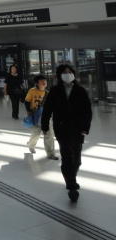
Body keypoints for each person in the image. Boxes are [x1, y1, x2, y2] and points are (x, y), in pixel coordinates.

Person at [41, 65, 92, 202]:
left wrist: (85, 128)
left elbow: (87, 111)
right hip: (62, 128)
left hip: (77, 128)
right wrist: (44, 125)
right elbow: (47, 109)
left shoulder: (80, 90)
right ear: (59, 75)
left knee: (77, 159)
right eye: (65, 72)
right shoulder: (55, 91)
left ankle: (71, 177)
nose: (68, 74)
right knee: (67, 156)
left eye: (70, 72)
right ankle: (71, 185)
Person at [24, 75, 58, 159]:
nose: (44, 82)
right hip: (35, 115)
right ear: (37, 83)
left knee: (49, 134)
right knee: (36, 133)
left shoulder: (48, 93)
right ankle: (31, 144)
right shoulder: (32, 91)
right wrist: (29, 112)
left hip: (46, 116)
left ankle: (51, 154)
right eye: (41, 81)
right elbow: (27, 101)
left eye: (45, 80)